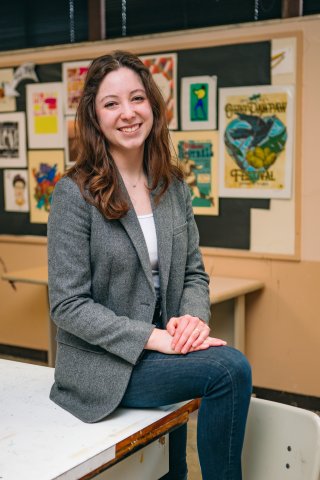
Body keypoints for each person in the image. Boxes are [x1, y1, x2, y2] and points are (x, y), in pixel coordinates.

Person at [48, 50, 252, 480]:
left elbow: (194, 272)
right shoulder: (73, 194)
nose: (128, 113)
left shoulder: (172, 185)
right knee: (229, 369)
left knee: (171, 472)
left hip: (164, 350)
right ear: (95, 117)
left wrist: (192, 321)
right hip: (106, 366)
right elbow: (67, 305)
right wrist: (155, 338)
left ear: (153, 107)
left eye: (137, 98)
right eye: (111, 103)